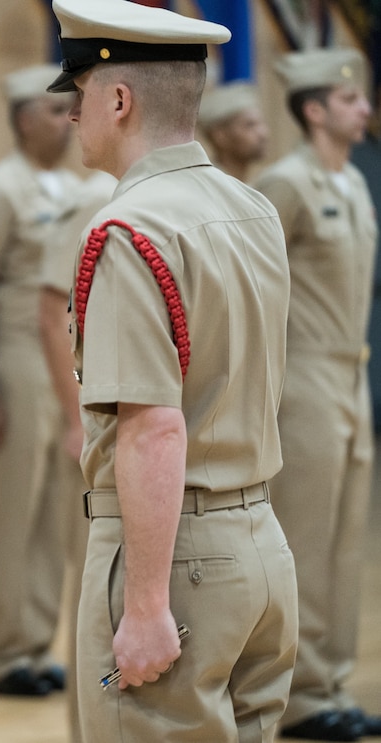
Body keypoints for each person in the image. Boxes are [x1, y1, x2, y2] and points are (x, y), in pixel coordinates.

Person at [47, 0, 300, 740]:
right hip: (259, 542)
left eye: (79, 95)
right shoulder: (251, 207)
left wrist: (147, 602)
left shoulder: (127, 228)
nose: (71, 115)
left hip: (174, 557)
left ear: (117, 100)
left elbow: (154, 426)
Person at [254, 48, 381, 742]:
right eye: (348, 99)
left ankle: (332, 680)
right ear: (312, 109)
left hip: (351, 374)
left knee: (343, 541)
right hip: (302, 376)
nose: (362, 108)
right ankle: (296, 693)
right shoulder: (286, 182)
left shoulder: (354, 185)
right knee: (301, 538)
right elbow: (257, 291)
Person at [0, 63, 80, 698]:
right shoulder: (0, 189)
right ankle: (7, 656)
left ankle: (36, 643)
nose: (69, 122)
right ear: (25, 118)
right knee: (13, 513)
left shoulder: (72, 186)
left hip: (60, 358)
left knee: (54, 510)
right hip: (15, 356)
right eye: (57, 112)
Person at [36, 167, 115, 743]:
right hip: (106, 428)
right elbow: (49, 312)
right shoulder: (94, 200)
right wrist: (75, 419)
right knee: (100, 590)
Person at [197, 82, 269, 182]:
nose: (263, 134)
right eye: (249, 125)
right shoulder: (210, 185)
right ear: (220, 136)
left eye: (261, 123)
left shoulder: (249, 184)